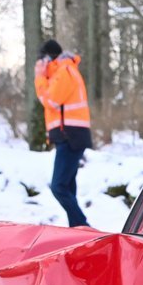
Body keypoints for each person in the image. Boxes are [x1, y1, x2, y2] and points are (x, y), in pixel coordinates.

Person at [34, 39, 92, 227]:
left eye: (42, 61)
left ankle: (82, 226)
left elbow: (51, 101)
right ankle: (77, 228)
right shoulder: (62, 72)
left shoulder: (65, 71)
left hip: (71, 136)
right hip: (69, 135)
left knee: (59, 186)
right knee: (67, 186)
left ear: (49, 59)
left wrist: (40, 78)